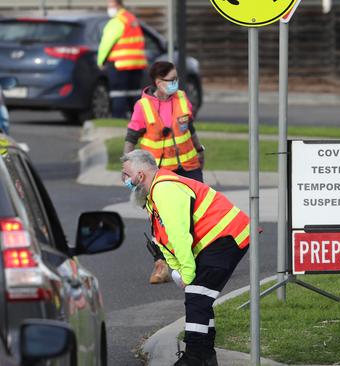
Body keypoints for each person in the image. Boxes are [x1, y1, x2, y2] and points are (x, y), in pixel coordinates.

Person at [121, 149, 253, 366]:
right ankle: (205, 356)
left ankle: (195, 357)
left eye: (126, 174)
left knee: (197, 297)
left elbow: (179, 237)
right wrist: (180, 271)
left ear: (141, 175)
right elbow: (166, 242)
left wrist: (188, 274)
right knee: (199, 298)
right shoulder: (156, 193)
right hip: (219, 239)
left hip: (225, 237)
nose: (124, 180)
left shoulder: (165, 191)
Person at [125, 61, 206, 284]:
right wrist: (128, 168)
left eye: (176, 79)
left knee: (195, 213)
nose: (175, 83)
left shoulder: (181, 98)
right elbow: (131, 138)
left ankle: (195, 261)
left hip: (188, 167)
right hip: (159, 174)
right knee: (161, 219)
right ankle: (161, 264)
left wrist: (199, 150)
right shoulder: (143, 106)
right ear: (158, 82)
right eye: (171, 80)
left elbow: (190, 128)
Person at [97, 0, 147, 118]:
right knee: (134, 93)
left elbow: (107, 43)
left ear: (118, 5)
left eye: (110, 5)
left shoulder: (117, 22)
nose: (109, 8)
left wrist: (100, 60)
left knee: (118, 93)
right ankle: (138, 120)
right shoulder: (132, 19)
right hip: (137, 63)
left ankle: (118, 117)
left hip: (120, 63)